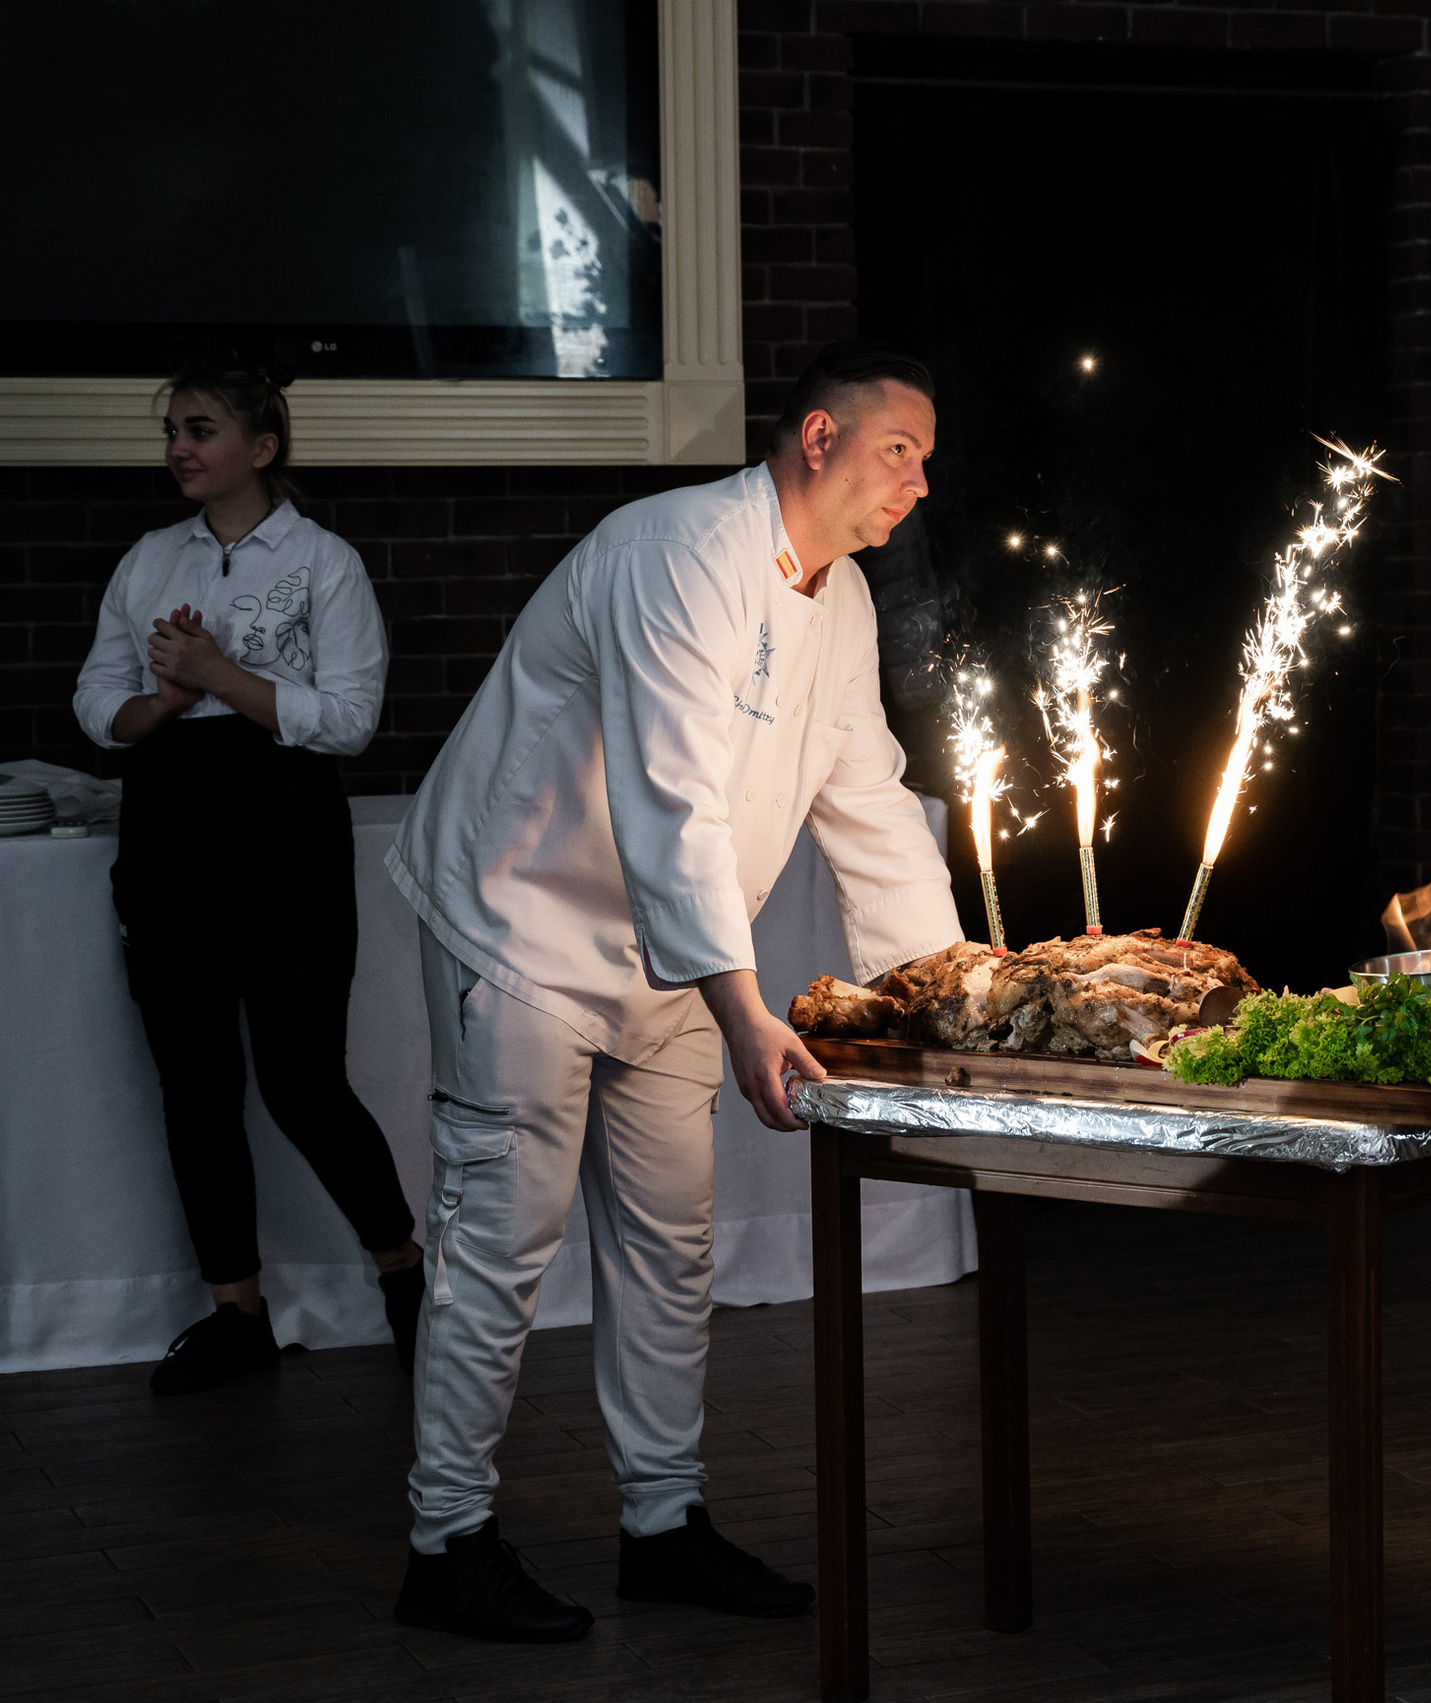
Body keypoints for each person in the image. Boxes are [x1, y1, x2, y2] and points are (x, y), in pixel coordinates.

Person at [384, 338, 964, 1642]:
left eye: (927, 459)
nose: (920, 482)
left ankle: (664, 1521)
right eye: (900, 450)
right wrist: (743, 1009)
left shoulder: (843, 601)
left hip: (677, 962)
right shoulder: (677, 550)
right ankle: (446, 1541)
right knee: (501, 1243)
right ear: (818, 438)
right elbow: (671, 800)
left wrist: (943, 990)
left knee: (667, 1243)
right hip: (522, 924)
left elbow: (868, 799)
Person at [72, 362, 424, 1393]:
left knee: (303, 1083)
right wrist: (166, 702)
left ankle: (405, 1273)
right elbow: (97, 700)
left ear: (260, 448)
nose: (178, 448)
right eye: (173, 431)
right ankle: (237, 1315)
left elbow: (350, 720)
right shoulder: (149, 558)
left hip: (283, 831)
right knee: (194, 1088)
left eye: (200, 430)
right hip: (169, 831)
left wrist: (219, 674)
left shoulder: (324, 562)